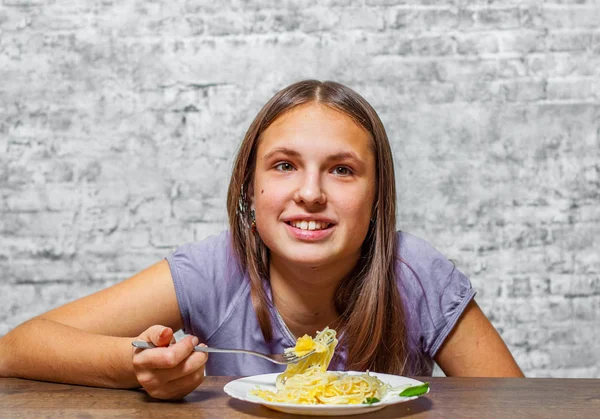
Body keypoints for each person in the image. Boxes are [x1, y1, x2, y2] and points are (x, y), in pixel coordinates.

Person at [0, 80, 523, 400]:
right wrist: (137, 367)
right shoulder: (212, 271)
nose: (311, 193)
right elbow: (16, 348)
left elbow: (516, 402)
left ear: (377, 196)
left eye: (342, 170)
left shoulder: (416, 273)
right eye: (285, 166)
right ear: (252, 187)